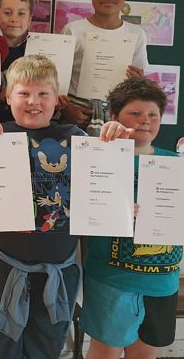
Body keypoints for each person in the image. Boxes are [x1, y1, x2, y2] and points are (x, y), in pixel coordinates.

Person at [0, 54, 86, 358]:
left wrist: (112, 145)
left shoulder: (76, 138)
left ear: (57, 98)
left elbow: (102, 193)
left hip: (57, 273)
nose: (33, 101)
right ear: (8, 96)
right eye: (24, 93)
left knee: (46, 351)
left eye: (43, 93)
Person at [81, 77, 183, 359]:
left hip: (162, 282)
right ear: (114, 117)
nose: (145, 121)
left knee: (145, 354)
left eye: (153, 114)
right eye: (135, 113)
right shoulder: (99, 156)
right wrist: (109, 145)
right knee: (105, 352)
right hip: (113, 280)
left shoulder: (176, 164)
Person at [61, 0, 148, 136]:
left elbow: (139, 81)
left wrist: (138, 81)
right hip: (76, 115)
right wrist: (66, 109)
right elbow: (56, 79)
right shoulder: (73, 30)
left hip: (117, 117)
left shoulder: (136, 34)